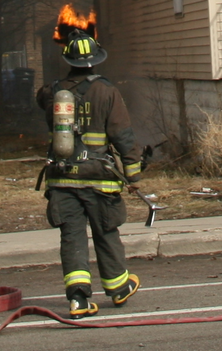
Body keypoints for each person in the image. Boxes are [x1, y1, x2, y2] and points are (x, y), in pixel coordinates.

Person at [34, 34, 143, 318]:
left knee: (72, 237)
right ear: (96, 60)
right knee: (105, 232)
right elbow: (123, 135)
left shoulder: (53, 93)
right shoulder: (107, 92)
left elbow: (41, 98)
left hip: (61, 179)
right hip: (99, 179)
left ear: (68, 61)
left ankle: (78, 300)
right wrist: (133, 174)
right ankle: (119, 288)